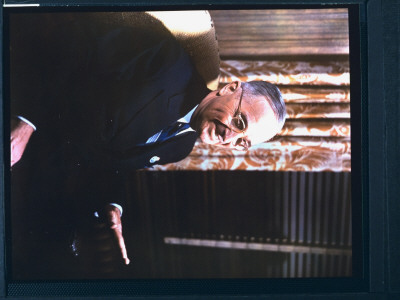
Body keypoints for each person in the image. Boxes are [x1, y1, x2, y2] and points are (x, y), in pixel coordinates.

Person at [9, 13, 286, 270]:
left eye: (243, 142)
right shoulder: (165, 61)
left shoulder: (180, 147)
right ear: (229, 89)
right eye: (240, 123)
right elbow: (69, 42)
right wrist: (27, 122)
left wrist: (111, 204)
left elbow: (109, 162)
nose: (230, 138)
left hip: (35, 179)